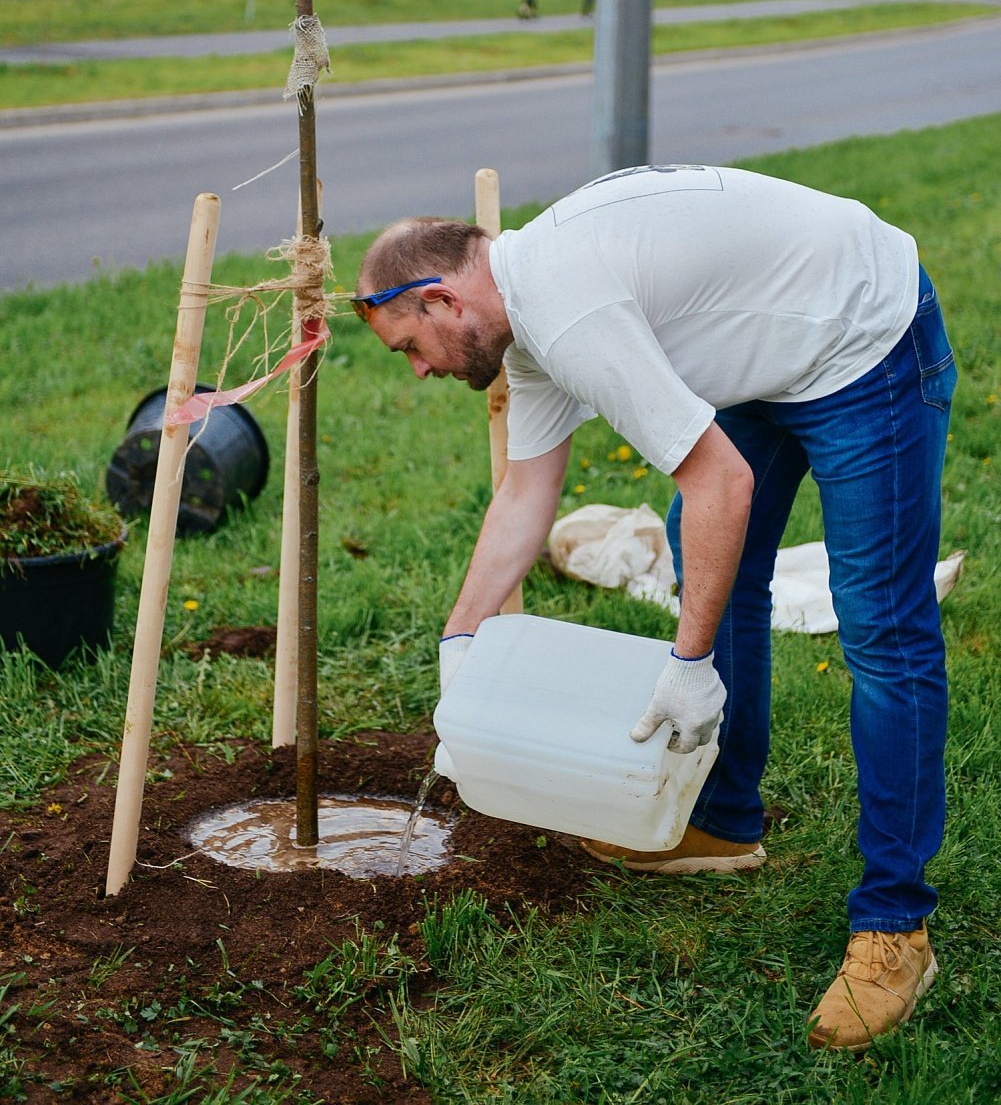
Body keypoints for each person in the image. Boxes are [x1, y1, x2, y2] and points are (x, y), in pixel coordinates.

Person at [352, 165, 956, 1053]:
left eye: (408, 345)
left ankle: (894, 923)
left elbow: (720, 478)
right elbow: (526, 493)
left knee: (881, 626)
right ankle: (723, 819)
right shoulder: (526, 324)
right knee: (706, 547)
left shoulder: (565, 309)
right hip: (773, 347)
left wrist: (687, 666)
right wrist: (461, 637)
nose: (414, 371)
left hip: (863, 335)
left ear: (442, 299)